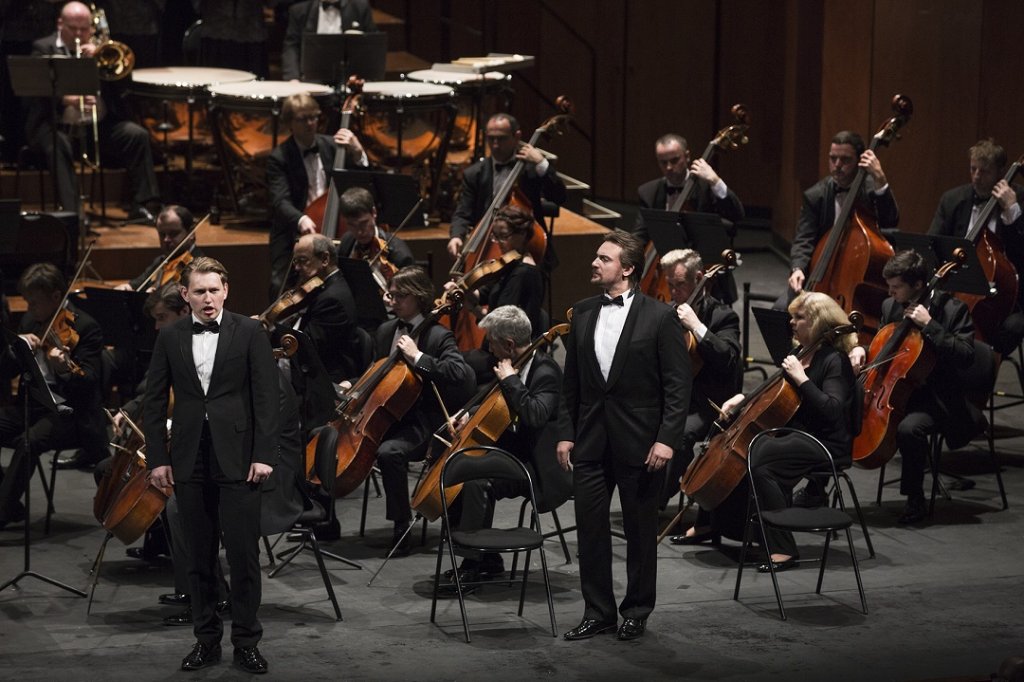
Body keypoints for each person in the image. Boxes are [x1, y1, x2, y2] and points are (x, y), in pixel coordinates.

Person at [143, 257, 279, 674]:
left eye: (213, 290)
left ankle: (246, 642)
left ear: (226, 291)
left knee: (242, 556)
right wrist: (158, 459)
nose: (207, 298)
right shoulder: (170, 336)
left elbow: (267, 399)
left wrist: (263, 455)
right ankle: (205, 640)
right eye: (198, 291)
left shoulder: (251, 331)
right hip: (189, 457)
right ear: (185, 295)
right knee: (198, 557)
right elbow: (153, 401)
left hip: (239, 456)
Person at [557, 230, 690, 642]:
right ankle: (599, 611)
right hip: (592, 442)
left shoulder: (660, 316)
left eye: (604, 258)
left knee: (638, 533)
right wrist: (566, 433)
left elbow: (677, 385)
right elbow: (572, 384)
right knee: (591, 532)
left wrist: (667, 438)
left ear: (627, 268)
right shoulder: (580, 313)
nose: (594, 264)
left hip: (642, 443)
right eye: (596, 257)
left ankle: (636, 610)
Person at [716, 291, 857, 571]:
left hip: (826, 442)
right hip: (797, 435)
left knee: (761, 458)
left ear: (818, 322)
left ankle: (783, 548)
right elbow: (772, 390)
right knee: (747, 451)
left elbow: (831, 410)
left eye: (799, 317)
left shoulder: (834, 361)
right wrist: (741, 399)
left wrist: (802, 378)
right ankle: (731, 529)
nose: (791, 323)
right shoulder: (799, 353)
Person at [437, 305, 569, 593]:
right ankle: (486, 559)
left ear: (509, 344)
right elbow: (491, 401)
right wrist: (467, 414)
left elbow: (534, 415)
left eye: (493, 342)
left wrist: (510, 381)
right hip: (512, 455)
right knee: (461, 470)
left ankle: (473, 566)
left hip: (537, 465)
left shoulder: (546, 371)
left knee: (475, 481)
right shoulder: (511, 363)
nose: (489, 349)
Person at [849, 250, 982, 525]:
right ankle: (817, 492)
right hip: (899, 391)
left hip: (938, 397)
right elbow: (883, 345)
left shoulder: (952, 310)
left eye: (896, 287)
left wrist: (930, 325)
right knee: (843, 404)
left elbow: (967, 356)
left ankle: (915, 499)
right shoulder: (891, 306)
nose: (890, 292)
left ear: (919, 285)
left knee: (909, 429)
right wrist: (863, 349)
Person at [361, 266, 471, 554]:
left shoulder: (438, 335)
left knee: (388, 452)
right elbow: (377, 374)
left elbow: (457, 372)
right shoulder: (386, 331)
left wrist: (418, 356)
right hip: (389, 417)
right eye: (391, 294)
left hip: (426, 423)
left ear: (419, 297)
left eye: (399, 296)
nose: (392, 300)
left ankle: (400, 526)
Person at [24, 1, 159, 221]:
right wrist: (67, 100)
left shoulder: (101, 50)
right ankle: (74, 214)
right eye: (73, 28)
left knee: (136, 135)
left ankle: (144, 205)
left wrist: (98, 62)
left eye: (84, 29)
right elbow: (35, 92)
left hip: (96, 125)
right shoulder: (43, 48)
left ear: (92, 28)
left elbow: (123, 89)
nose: (79, 34)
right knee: (60, 146)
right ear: (60, 24)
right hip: (56, 125)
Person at [0, 262, 108, 529]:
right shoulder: (31, 322)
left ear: (56, 297)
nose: (29, 309)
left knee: (29, 443)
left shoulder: (86, 327)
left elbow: (91, 383)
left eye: (34, 303)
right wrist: (16, 350)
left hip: (70, 415)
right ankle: (10, 505)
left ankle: (1, 513)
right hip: (33, 406)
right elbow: (5, 371)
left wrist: (65, 371)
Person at [653, 249, 741, 542]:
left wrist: (696, 327)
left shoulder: (722, 316)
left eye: (679, 285)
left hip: (707, 407)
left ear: (700, 279)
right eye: (670, 285)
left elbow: (727, 357)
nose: (674, 292)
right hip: (672, 400)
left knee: (676, 435)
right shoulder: (667, 312)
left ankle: (652, 508)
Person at [266, 92, 369, 297]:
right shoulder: (279, 157)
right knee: (279, 283)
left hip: (333, 226)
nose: (310, 123)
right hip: (295, 229)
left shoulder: (332, 145)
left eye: (314, 117)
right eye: (303, 119)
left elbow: (362, 182)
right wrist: (301, 218)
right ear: (290, 123)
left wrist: (358, 152)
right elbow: (279, 201)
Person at [928, 138, 1024, 355]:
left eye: (985, 171)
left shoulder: (1019, 199)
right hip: (958, 290)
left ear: (1001, 172)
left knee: (1012, 327)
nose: (977, 177)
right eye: (973, 169)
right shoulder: (953, 199)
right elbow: (932, 243)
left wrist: (1012, 210)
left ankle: (987, 369)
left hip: (1009, 299)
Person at [782, 130, 900, 306]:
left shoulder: (872, 190)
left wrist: (880, 180)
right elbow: (803, 239)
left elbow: (891, 220)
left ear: (860, 161)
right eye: (833, 158)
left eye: (845, 160)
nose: (837, 165)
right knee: (782, 309)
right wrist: (797, 268)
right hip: (823, 274)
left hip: (857, 278)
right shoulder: (816, 195)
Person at [447, 113, 566, 260]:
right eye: (491, 138)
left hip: (526, 244)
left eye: (502, 138)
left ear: (517, 136)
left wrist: (541, 163)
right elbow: (462, 212)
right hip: (487, 245)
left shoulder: (531, 167)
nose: (495, 144)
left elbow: (559, 197)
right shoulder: (474, 173)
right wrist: (456, 236)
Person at [633, 133, 745, 244]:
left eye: (674, 160)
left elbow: (736, 215)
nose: (669, 167)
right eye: (663, 162)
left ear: (687, 156)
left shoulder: (706, 187)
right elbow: (640, 235)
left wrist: (715, 181)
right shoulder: (648, 192)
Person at [284, 232, 364, 384]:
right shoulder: (323, 286)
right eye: (295, 261)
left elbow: (308, 347)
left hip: (327, 379)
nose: (297, 268)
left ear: (325, 259)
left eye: (303, 261)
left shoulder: (331, 299)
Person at [281, 0, 377, 82]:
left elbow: (372, 45)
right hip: (311, 79)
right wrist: (293, 78)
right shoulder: (299, 11)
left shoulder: (360, 8)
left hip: (350, 79)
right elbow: (291, 46)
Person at [116, 205, 202, 292]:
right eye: (162, 234)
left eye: (173, 233)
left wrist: (157, 297)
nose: (166, 239)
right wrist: (127, 287)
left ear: (191, 233)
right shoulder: (162, 261)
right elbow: (137, 283)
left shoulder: (200, 267)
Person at [335, 186, 416, 276]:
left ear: (374, 212)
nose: (359, 232)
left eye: (363, 223)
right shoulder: (347, 241)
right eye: (352, 225)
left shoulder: (400, 255)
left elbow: (408, 289)